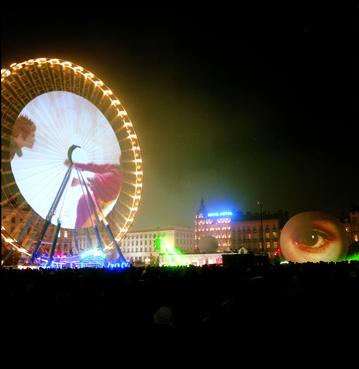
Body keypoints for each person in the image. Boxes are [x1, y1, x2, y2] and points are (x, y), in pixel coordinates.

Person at [69, 160, 123, 228]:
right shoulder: (111, 168)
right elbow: (95, 169)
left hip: (102, 203)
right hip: (98, 200)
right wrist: (78, 165)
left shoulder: (116, 176)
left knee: (85, 204)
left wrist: (81, 181)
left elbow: (98, 181)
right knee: (84, 201)